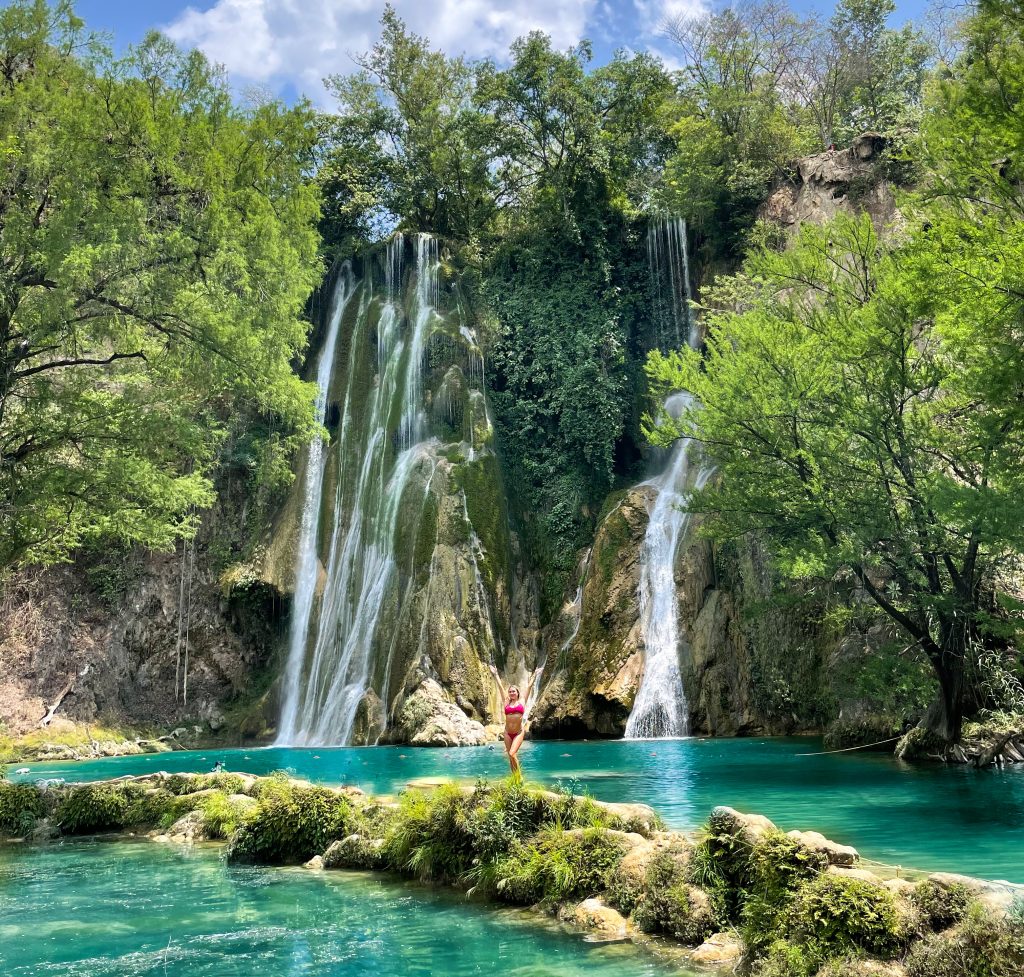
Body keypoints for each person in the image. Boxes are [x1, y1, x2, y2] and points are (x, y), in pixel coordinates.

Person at [489, 665, 527, 777]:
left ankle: (519, 778)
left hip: (518, 732)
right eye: (510, 691)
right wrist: (495, 674)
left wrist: (535, 676)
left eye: (513, 691)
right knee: (510, 757)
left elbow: (529, 687)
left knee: (512, 753)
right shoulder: (506, 702)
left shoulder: (522, 702)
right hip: (507, 733)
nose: (511, 693)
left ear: (517, 693)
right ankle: (514, 779)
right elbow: (501, 688)